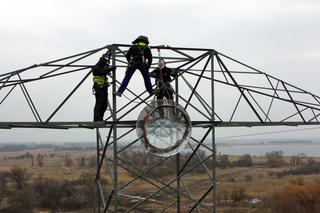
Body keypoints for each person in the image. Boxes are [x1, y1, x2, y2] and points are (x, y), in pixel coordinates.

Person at [92, 53, 116, 121]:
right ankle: (97, 119)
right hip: (99, 88)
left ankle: (100, 119)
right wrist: (110, 69)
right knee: (99, 104)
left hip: (103, 88)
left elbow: (104, 73)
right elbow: (101, 72)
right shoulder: (96, 69)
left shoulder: (101, 69)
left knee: (104, 105)